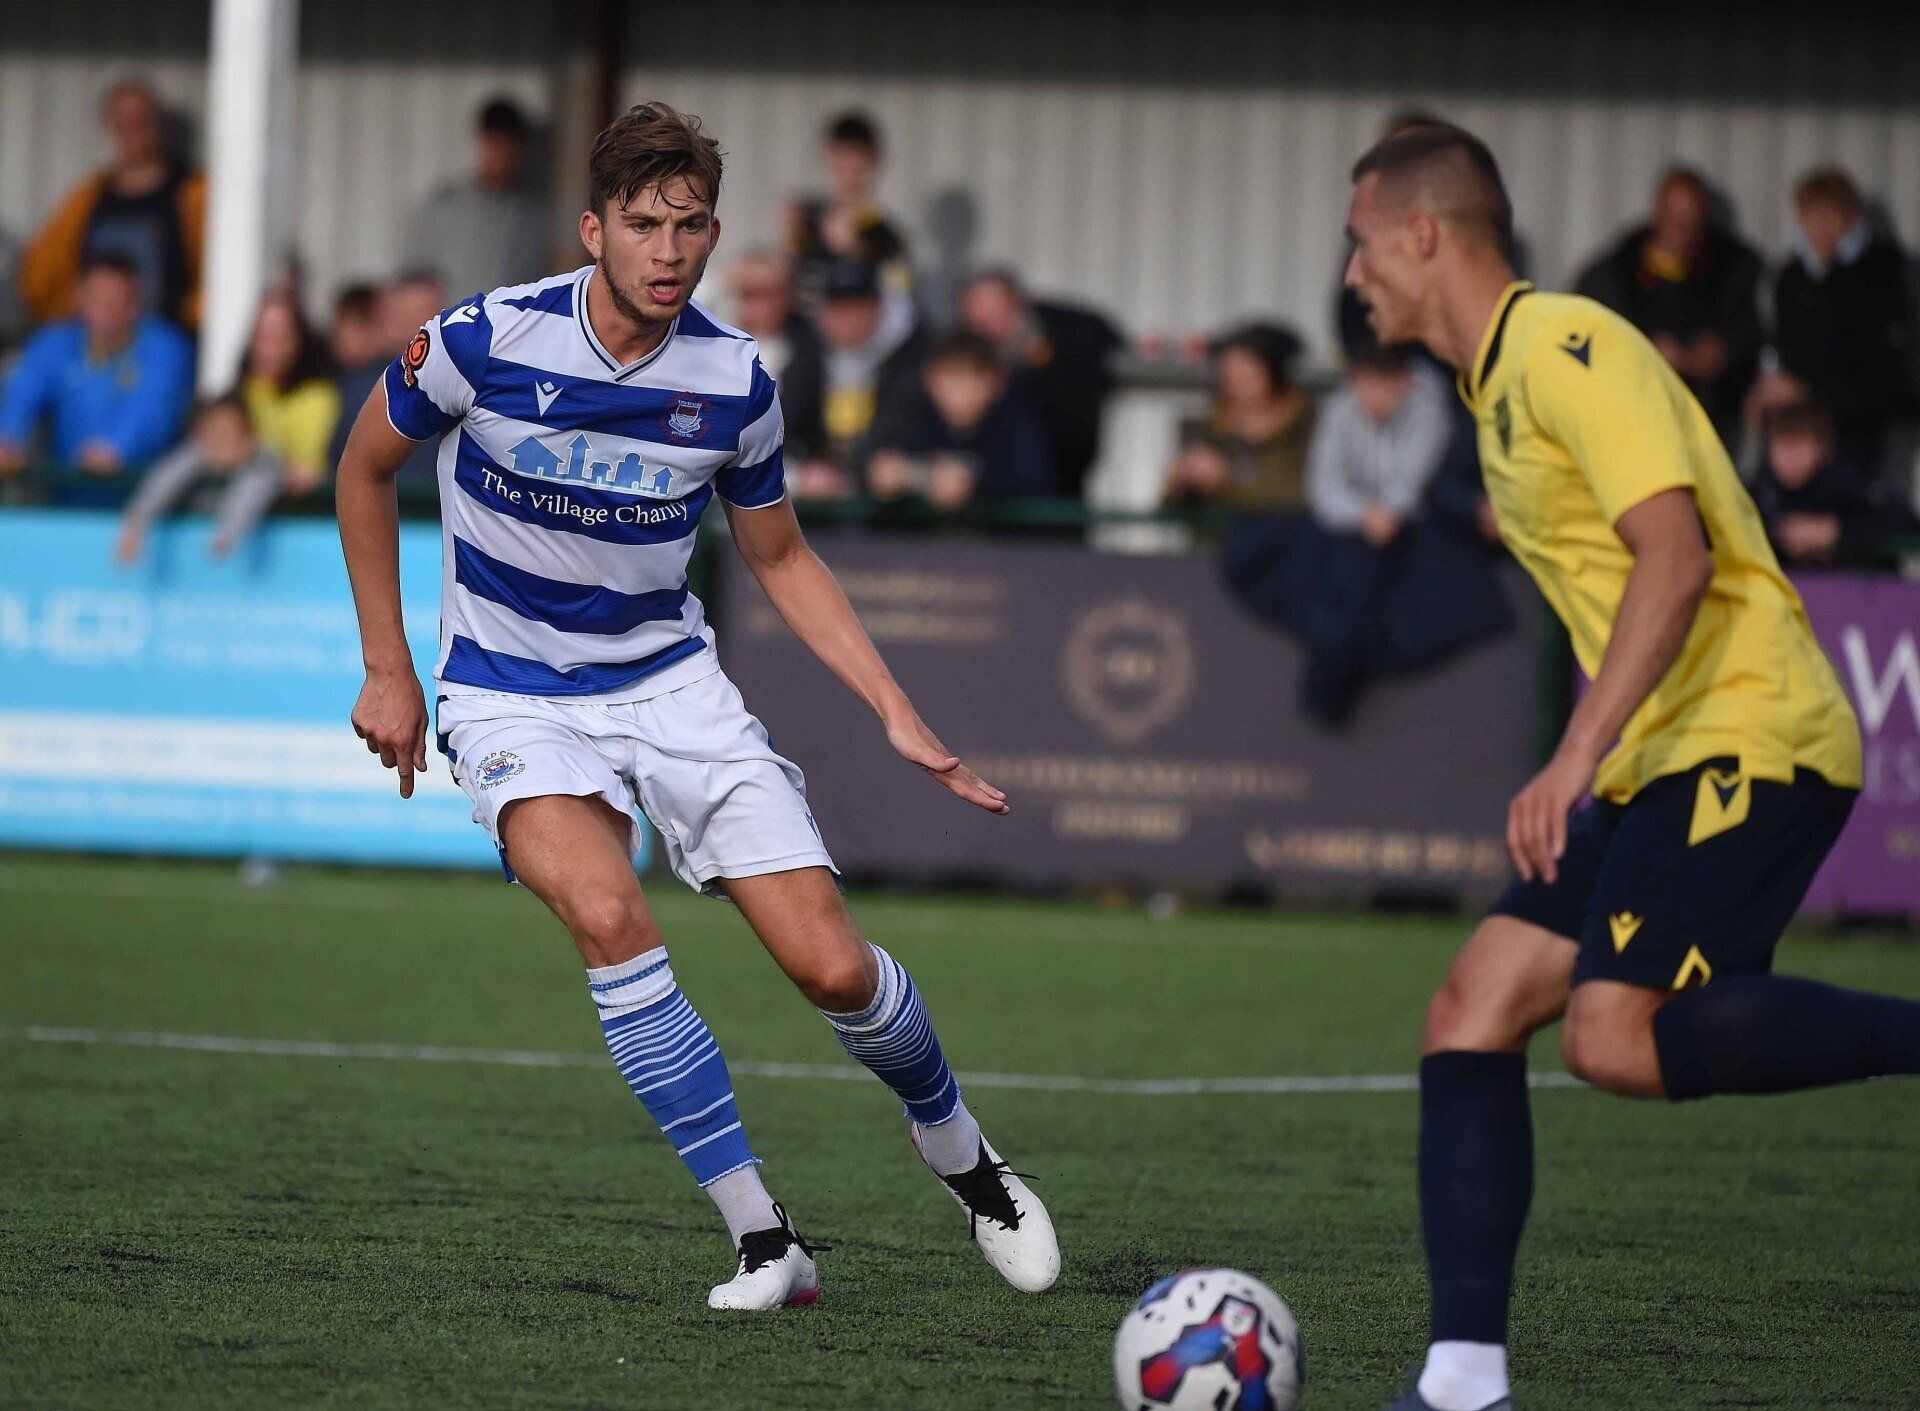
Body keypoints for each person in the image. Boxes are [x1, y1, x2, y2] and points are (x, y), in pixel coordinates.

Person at [334, 100, 1059, 1312]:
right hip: (509, 693)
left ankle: (967, 1159)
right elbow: (361, 469)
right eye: (644, 224)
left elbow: (780, 555)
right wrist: (388, 666)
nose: (669, 250)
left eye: (691, 225)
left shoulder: (734, 380)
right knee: (608, 914)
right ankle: (765, 1238)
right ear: (594, 230)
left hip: (671, 687)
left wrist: (892, 707)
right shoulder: (480, 340)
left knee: (832, 969)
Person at [1344, 123, 1917, 1411]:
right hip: (1663, 750)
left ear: (1423, 234)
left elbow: (1677, 556)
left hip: (1748, 730)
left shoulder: (1565, 343)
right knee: (1471, 1007)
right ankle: (1463, 1382)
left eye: (1361, 243)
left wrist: (1571, 756)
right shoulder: (1496, 389)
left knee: (1613, 1037)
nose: (1351, 276)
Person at [1575, 167, 1763, 436]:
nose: (1681, 227)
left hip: (1708, 420)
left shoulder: (1733, 270)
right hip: (1630, 414)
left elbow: (1752, 329)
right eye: (1674, 215)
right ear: (1657, 211)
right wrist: (1643, 350)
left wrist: (1723, 352)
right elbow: (1583, 335)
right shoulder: (1615, 272)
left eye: (1690, 218)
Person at [1752, 168, 1918, 465]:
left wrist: (1805, 389)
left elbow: (1879, 365)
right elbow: (1783, 346)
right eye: (1810, 217)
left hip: (1865, 429)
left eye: (1828, 216)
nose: (1819, 228)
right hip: (1803, 428)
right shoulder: (1791, 277)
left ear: (1850, 217)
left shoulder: (1883, 272)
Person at [20, 79, 206, 331]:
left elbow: (217, 270)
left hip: (167, 337)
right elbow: (41, 275)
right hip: (98, 343)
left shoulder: (193, 194)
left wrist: (190, 318)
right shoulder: (87, 198)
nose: (132, 133)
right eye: (123, 124)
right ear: (110, 128)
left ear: (158, 125)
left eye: (140, 122)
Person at [0, 252, 193, 486]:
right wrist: (8, 438)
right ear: (78, 297)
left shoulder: (165, 348)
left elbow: (153, 406)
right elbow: (21, 394)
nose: (104, 307)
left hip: (143, 493)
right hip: (67, 493)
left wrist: (116, 447)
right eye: (96, 296)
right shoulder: (54, 343)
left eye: (115, 299)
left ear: (135, 303)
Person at [958, 268, 1124, 498]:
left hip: (1062, 477)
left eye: (997, 314)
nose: (991, 327)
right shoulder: (968, 355)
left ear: (1016, 303)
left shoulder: (1069, 331)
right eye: (980, 321)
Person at [862, 331, 1051, 510]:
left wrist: (973, 486)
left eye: (971, 378)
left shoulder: (1016, 423)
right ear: (930, 378)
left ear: (997, 381)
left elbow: (1034, 482)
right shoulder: (911, 418)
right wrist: (900, 476)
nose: (960, 392)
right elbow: (876, 463)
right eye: (951, 377)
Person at [404, 98, 550, 300]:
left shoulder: (531, 217)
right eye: (494, 143)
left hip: (507, 320)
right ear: (481, 143)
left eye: (507, 146)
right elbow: (414, 279)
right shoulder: (444, 207)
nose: (500, 154)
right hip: (450, 318)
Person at [115, 394, 283, 564]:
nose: (222, 441)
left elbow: (252, 492)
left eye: (230, 432)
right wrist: (136, 523)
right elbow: (165, 478)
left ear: (248, 434)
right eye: (214, 433)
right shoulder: (195, 455)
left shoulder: (264, 461)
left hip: (231, 547)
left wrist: (226, 535)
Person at [1164, 323, 1315, 513]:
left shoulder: (1307, 424)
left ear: (1275, 373)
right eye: (1230, 377)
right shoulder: (1213, 426)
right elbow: (1172, 507)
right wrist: (1181, 482)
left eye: (1248, 375)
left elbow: (1299, 494)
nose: (1237, 385)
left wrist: (1225, 482)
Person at [1752, 400, 1916, 570]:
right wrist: (1780, 532)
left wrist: (1835, 530)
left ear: (1824, 449)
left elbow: (1904, 521)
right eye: (1782, 444)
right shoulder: (1763, 488)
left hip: (1859, 580)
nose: (1790, 457)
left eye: (1799, 445)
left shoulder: (1848, 482)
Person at [815, 257, 925, 478]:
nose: (846, 318)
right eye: (837, 308)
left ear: (879, 308)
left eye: (856, 307)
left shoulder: (912, 360)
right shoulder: (809, 353)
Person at [724, 251, 828, 482]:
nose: (761, 305)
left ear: (789, 296)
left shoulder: (814, 349)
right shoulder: (716, 348)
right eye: (750, 294)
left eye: (770, 294)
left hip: (794, 468)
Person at [786, 111, 911, 301]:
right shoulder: (807, 220)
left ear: (873, 160)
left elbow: (899, 298)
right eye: (840, 155)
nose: (847, 166)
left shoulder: (885, 235)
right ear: (827, 157)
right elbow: (791, 284)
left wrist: (858, 252)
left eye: (854, 155)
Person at [241, 290, 340, 494]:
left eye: (278, 338)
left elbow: (308, 470)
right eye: (261, 336)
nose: (268, 348)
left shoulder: (318, 397)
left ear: (297, 342)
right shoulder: (239, 392)